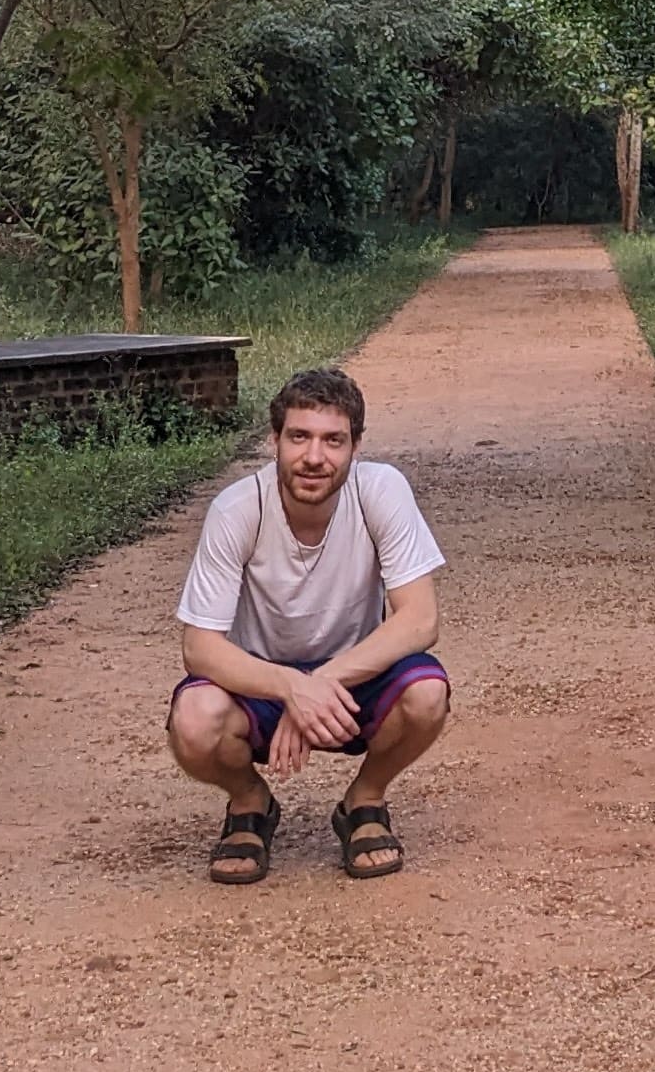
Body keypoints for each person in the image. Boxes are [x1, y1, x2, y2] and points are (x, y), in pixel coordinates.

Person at [168, 366, 450, 884]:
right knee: (193, 720)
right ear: (274, 440)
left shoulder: (380, 492)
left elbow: (421, 618)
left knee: (427, 694)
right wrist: (290, 688)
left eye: (333, 440)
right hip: (260, 683)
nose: (314, 457)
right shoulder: (236, 510)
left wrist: (320, 684)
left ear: (355, 446)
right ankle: (249, 803)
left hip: (352, 681)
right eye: (299, 436)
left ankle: (364, 802)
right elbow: (199, 647)